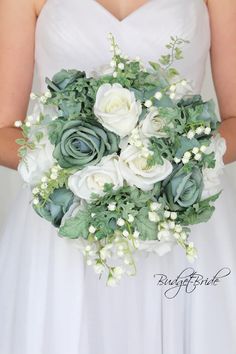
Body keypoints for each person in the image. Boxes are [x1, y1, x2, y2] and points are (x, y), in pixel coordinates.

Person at [0, 0, 236, 353]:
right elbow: (4, 128)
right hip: (62, 223)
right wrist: (75, 166)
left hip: (181, 219)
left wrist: (169, 168)